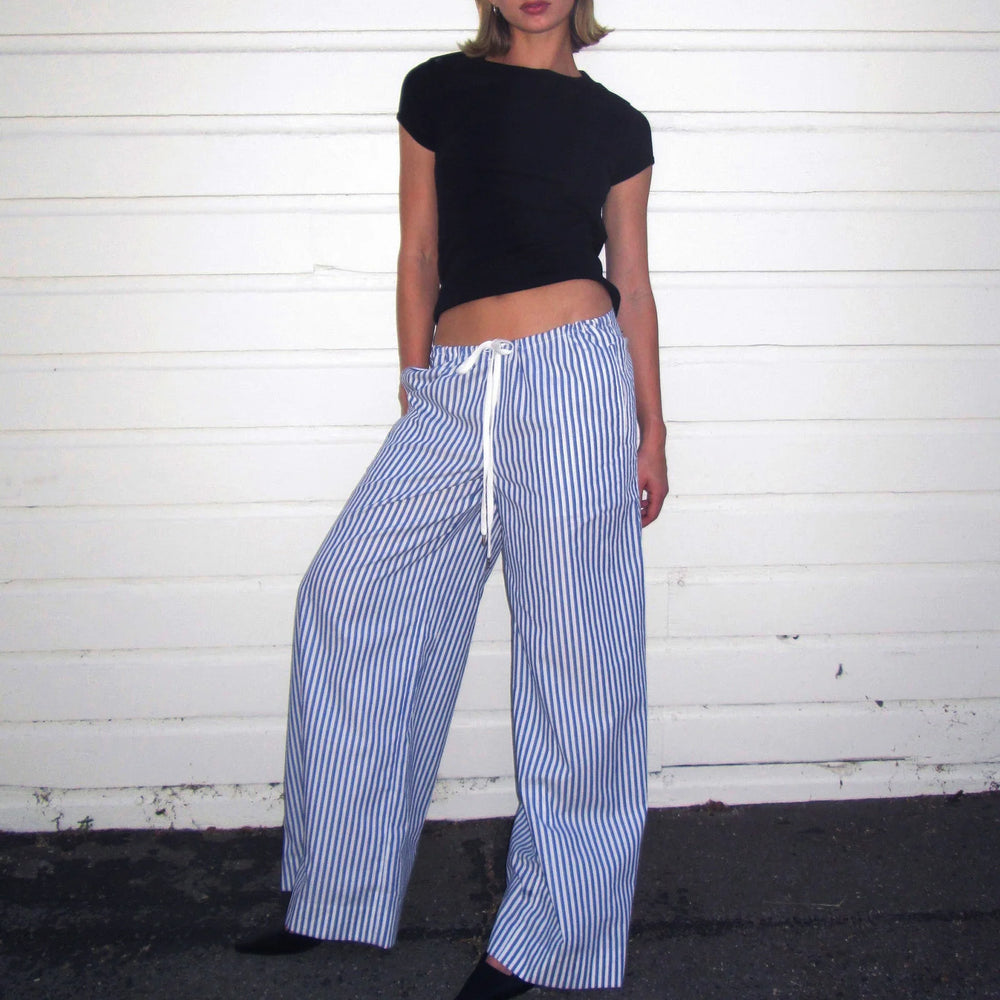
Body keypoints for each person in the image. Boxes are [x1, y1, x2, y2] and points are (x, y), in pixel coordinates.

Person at [237, 1, 668, 996]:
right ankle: (336, 891)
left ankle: (547, 940)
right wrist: (415, 382)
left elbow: (635, 285)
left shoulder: (617, 125)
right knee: (347, 595)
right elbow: (419, 252)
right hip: (452, 386)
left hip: (574, 382)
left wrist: (652, 427)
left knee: (579, 664)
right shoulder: (438, 88)